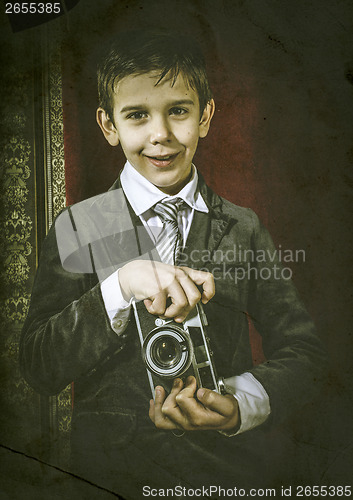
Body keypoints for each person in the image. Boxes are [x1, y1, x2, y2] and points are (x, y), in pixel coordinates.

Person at [20, 30, 327, 498]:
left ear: (205, 117)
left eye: (178, 111)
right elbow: (38, 365)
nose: (160, 134)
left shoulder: (242, 228)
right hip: (107, 474)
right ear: (108, 125)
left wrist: (241, 403)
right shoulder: (81, 225)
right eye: (137, 115)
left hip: (223, 474)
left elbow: (305, 352)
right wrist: (121, 285)